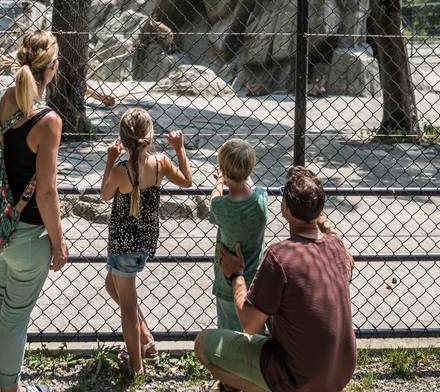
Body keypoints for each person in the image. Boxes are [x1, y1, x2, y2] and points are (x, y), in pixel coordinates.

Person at [0, 30, 69, 392]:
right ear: (52, 66)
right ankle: (11, 388)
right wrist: (58, 242)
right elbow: (46, 192)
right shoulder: (48, 121)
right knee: (16, 315)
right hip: (27, 234)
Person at [194, 166, 357, 392]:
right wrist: (324, 223)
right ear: (320, 209)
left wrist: (236, 275)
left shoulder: (280, 256)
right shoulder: (337, 247)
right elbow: (349, 257)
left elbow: (250, 324)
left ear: (285, 209)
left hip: (297, 379)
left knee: (203, 344)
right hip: (341, 372)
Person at [100, 108, 193, 374]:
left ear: (123, 139)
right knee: (111, 284)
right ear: (150, 137)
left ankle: (136, 365)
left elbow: (105, 195)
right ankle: (146, 338)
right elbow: (187, 181)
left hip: (122, 244)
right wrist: (179, 148)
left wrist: (110, 159)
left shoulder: (120, 170)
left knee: (127, 307)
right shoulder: (161, 162)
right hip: (145, 241)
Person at [207, 139, 268, 333]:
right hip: (256, 282)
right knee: (254, 334)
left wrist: (219, 180)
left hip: (228, 282)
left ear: (222, 168)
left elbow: (214, 198)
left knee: (229, 334)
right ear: (250, 168)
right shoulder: (261, 198)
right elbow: (251, 185)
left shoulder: (221, 207)